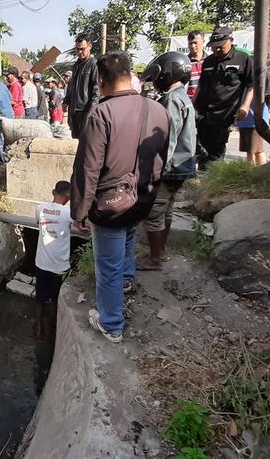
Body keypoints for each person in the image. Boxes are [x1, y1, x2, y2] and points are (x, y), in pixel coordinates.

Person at [70, 51, 169, 343]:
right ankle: (126, 279)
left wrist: (80, 210)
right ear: (131, 74)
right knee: (128, 236)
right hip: (145, 194)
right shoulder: (159, 110)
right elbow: (164, 155)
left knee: (107, 266)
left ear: (100, 80)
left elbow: (88, 168)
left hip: (111, 204)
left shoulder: (101, 113)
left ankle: (111, 323)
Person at [138, 52, 196, 270]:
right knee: (167, 209)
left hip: (170, 167)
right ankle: (160, 251)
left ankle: (154, 258)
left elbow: (167, 139)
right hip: (181, 167)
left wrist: (154, 171)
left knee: (154, 212)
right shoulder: (182, 97)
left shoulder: (172, 100)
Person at [193, 27, 254, 168]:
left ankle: (211, 183)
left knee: (216, 154)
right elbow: (201, 86)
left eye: (220, 46)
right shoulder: (208, 61)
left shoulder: (243, 59)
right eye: (214, 47)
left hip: (223, 115)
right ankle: (201, 181)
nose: (217, 50)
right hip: (203, 113)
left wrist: (245, 106)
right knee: (201, 151)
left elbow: (251, 86)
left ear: (230, 41)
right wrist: (192, 104)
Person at [34, 180, 72, 340]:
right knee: (53, 299)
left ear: (53, 192)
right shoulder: (69, 212)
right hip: (59, 266)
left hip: (41, 263)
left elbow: (38, 223)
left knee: (40, 297)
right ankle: (50, 329)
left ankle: (38, 326)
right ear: (69, 196)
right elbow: (83, 229)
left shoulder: (40, 208)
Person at [64, 34, 100, 139]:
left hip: (85, 111)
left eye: (82, 49)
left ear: (90, 46)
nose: (80, 52)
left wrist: (91, 112)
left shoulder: (94, 65)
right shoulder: (76, 66)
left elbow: (96, 90)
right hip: (74, 111)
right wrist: (66, 100)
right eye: (77, 49)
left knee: (86, 143)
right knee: (75, 142)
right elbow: (71, 86)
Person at [236, 70, 270, 165]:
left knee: (257, 151)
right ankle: (251, 174)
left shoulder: (265, 74)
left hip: (255, 120)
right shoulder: (243, 74)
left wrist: (265, 111)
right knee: (249, 151)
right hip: (243, 120)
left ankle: (259, 173)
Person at [186, 30, 205, 100]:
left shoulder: (210, 61)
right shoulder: (185, 62)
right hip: (189, 103)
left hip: (207, 103)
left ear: (203, 42)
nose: (193, 46)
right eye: (190, 43)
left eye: (195, 43)